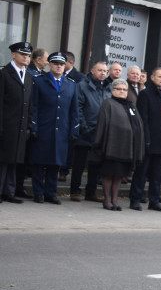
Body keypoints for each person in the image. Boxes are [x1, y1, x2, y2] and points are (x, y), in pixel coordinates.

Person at [28, 52, 78, 204]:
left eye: (61, 64)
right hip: (43, 127)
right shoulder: (39, 81)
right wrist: (34, 126)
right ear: (49, 64)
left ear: (65, 66)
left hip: (61, 129)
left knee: (55, 163)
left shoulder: (71, 84)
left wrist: (74, 129)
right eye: (55, 63)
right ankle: (38, 192)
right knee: (39, 162)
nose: (58, 66)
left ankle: (50, 192)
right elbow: (34, 106)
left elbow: (74, 110)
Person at [91, 78, 144, 210]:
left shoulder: (130, 105)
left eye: (124, 90)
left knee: (119, 175)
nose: (122, 92)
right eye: (119, 89)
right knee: (108, 174)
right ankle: (107, 200)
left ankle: (115, 199)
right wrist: (98, 144)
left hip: (126, 148)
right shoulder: (108, 103)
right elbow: (102, 124)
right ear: (113, 90)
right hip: (111, 146)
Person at [131, 67, 161, 211]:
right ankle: (135, 199)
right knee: (141, 172)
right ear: (152, 78)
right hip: (148, 140)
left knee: (157, 174)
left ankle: (154, 200)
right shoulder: (146, 94)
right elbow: (143, 119)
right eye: (160, 76)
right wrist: (146, 139)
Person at [70, 61, 109, 202]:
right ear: (92, 71)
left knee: (95, 164)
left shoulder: (107, 87)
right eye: (100, 70)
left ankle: (90, 192)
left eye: (105, 71)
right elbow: (78, 107)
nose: (103, 73)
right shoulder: (82, 85)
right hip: (85, 130)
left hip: (100, 132)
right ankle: (75, 190)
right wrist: (84, 126)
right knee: (79, 164)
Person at [0, 41, 34, 204]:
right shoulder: (4, 74)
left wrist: (28, 125)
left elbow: (29, 104)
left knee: (14, 160)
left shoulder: (28, 76)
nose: (26, 58)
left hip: (20, 126)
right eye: (22, 54)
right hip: (7, 125)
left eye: (27, 55)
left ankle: (9, 191)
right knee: (3, 160)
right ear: (13, 55)